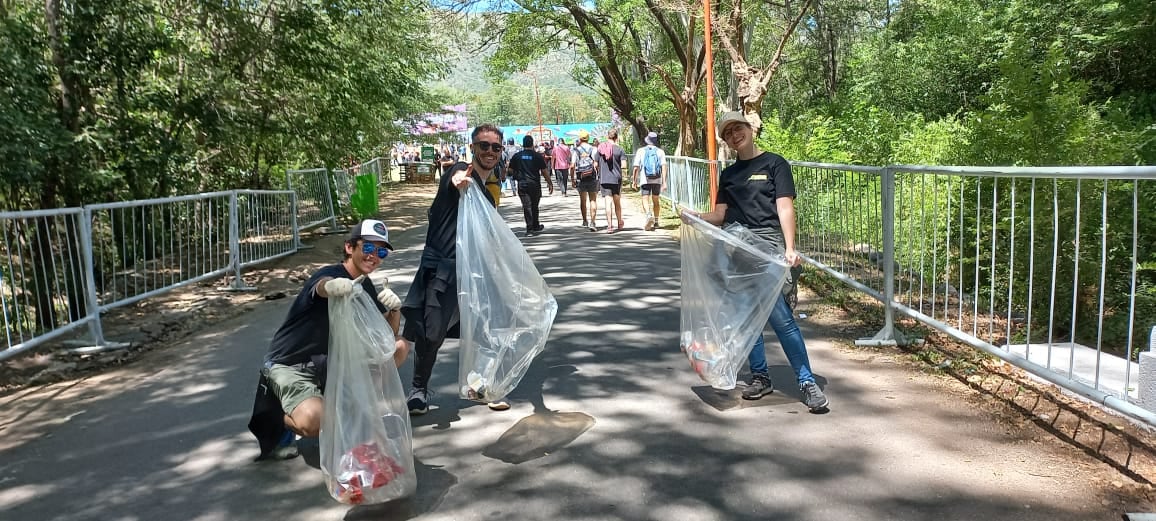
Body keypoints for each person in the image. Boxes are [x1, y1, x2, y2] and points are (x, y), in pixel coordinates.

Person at [679, 111, 829, 413]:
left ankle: (806, 381)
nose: (735, 136)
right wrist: (695, 217)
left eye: (738, 129)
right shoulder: (730, 174)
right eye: (728, 134)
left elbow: (784, 207)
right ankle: (760, 376)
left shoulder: (775, 164)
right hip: (736, 249)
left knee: (781, 317)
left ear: (750, 129)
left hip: (768, 248)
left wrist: (789, 247)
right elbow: (720, 216)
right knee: (747, 317)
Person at [248, 219, 409, 460]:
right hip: (292, 363)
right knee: (314, 421)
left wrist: (394, 310)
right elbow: (320, 287)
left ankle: (355, 413)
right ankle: (275, 417)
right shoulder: (329, 275)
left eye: (381, 251)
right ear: (349, 247)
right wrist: (332, 287)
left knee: (400, 347)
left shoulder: (366, 287)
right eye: (367, 248)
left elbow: (387, 338)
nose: (374, 256)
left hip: (331, 363)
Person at [402, 124, 511, 415]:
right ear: (472, 147)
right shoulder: (460, 172)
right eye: (483, 145)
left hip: (474, 274)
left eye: (495, 147)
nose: (489, 151)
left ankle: (481, 385)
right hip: (442, 271)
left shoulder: (487, 196)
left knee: (484, 331)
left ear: (501, 152)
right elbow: (457, 177)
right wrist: (461, 179)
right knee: (431, 333)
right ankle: (419, 389)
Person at [508, 135, 554, 236]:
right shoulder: (537, 156)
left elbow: (510, 170)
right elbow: (544, 171)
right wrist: (549, 183)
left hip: (522, 184)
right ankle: (535, 225)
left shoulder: (517, 156)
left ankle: (530, 228)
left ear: (523, 144)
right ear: (532, 143)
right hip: (534, 184)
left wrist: (517, 175)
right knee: (534, 205)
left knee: (526, 206)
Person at [632, 131, 667, 231]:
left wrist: (634, 180)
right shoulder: (660, 152)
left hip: (645, 179)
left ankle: (648, 214)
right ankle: (656, 222)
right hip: (657, 179)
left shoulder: (641, 151)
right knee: (656, 200)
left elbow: (636, 167)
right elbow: (664, 167)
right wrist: (664, 182)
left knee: (645, 199)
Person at [596, 128, 626, 233]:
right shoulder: (620, 150)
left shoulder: (600, 149)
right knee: (617, 202)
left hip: (604, 179)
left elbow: (595, 164)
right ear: (616, 138)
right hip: (616, 179)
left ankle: (609, 225)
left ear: (607, 137)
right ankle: (619, 223)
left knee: (607, 202)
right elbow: (624, 165)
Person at [570, 130, 599, 231]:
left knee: (583, 200)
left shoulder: (576, 150)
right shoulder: (594, 149)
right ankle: (593, 222)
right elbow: (596, 164)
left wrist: (572, 179)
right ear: (588, 138)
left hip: (580, 178)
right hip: (592, 177)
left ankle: (585, 220)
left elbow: (572, 165)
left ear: (580, 139)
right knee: (593, 200)